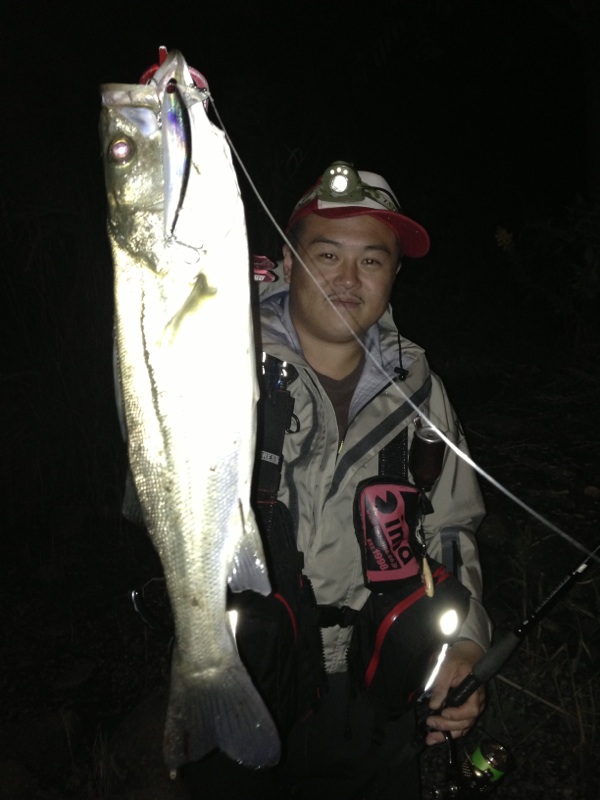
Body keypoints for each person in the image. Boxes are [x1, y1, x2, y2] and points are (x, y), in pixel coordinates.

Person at [183, 161, 490, 799]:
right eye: (327, 254)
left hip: (377, 682)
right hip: (240, 668)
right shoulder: (216, 366)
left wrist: (463, 643)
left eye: (371, 260)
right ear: (287, 262)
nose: (348, 279)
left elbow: (452, 527)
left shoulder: (421, 392)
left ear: (394, 274)